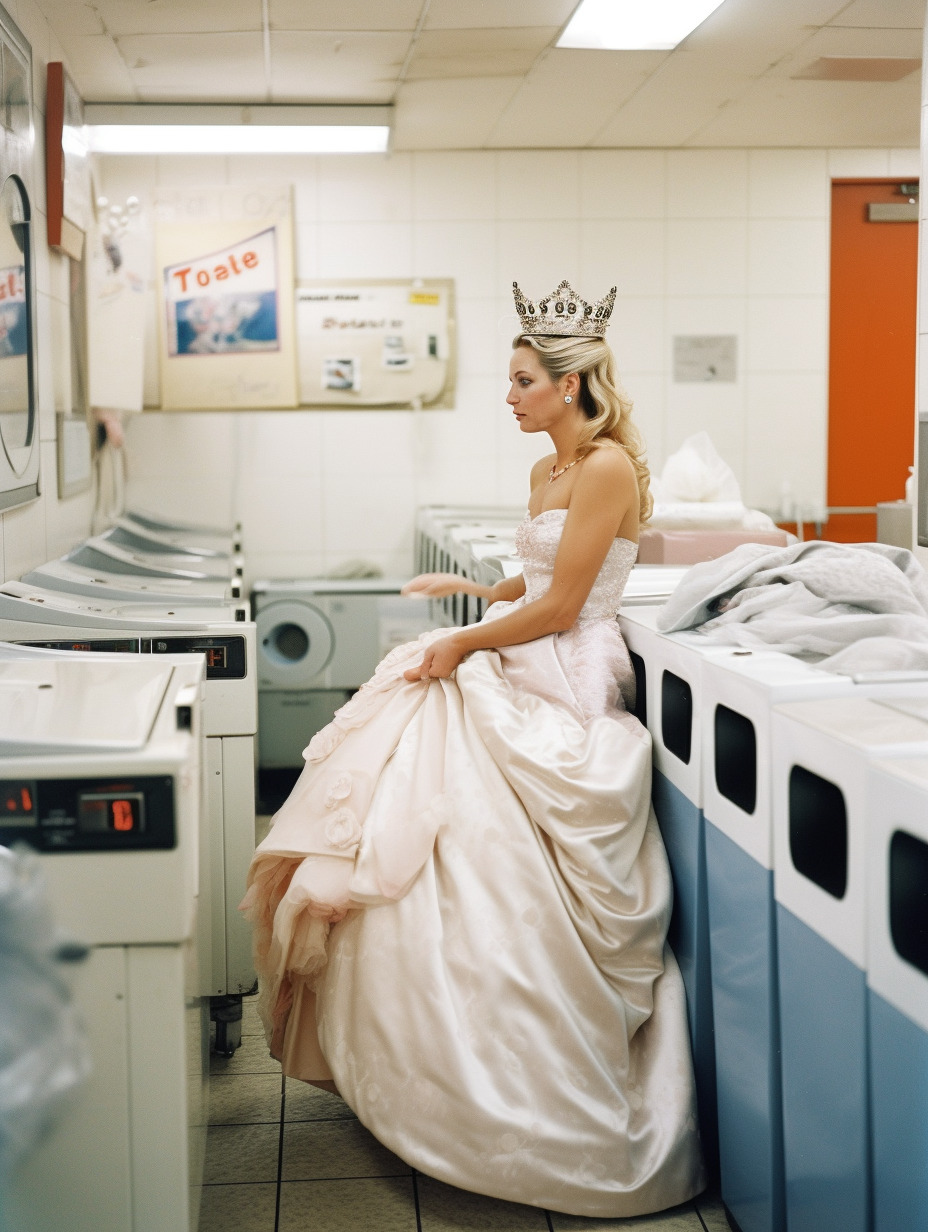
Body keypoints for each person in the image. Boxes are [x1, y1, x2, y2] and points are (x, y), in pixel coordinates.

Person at [241, 280, 705, 1218]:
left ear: (570, 387)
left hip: (569, 672)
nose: (509, 397)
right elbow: (541, 575)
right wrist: (476, 590)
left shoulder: (608, 465)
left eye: (522, 381)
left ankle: (521, 1078)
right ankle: (421, 1061)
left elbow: (571, 606)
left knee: (452, 743)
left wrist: (461, 639)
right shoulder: (546, 470)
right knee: (428, 763)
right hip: (528, 639)